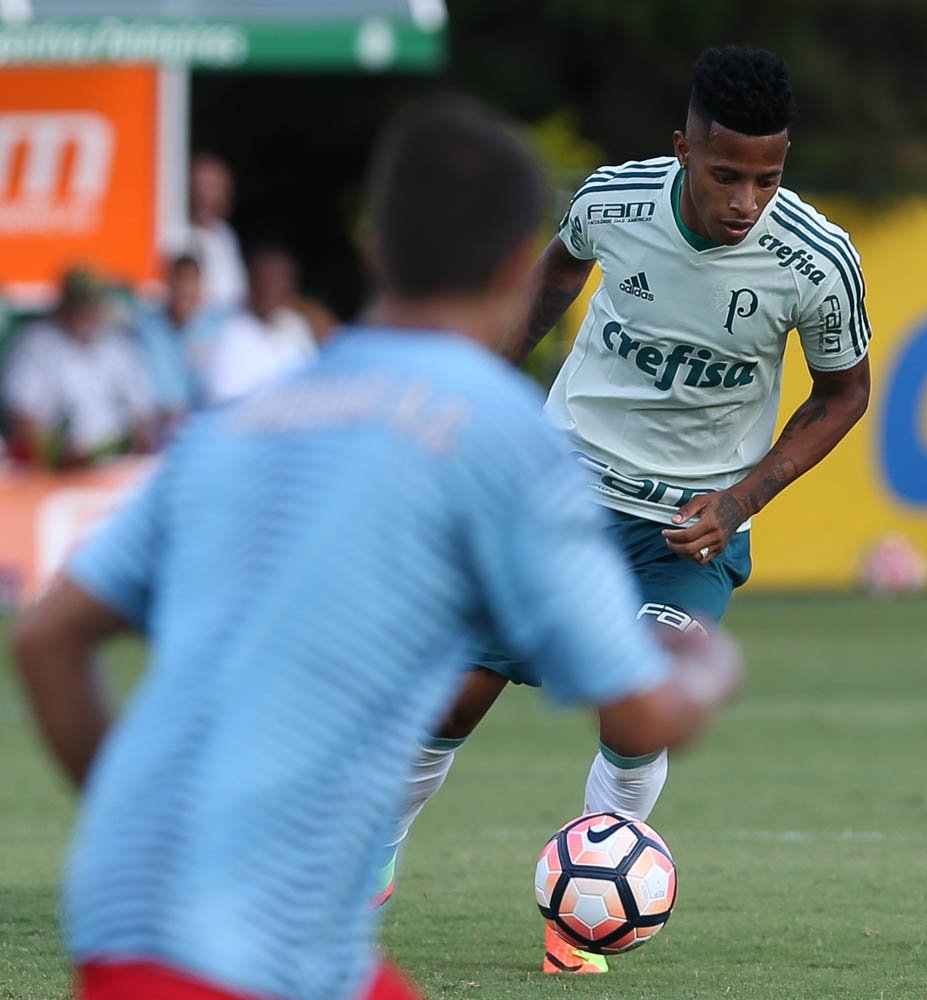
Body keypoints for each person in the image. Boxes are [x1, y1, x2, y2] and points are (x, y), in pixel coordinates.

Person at [12, 96, 741, 1000]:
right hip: (225, 952)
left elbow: (47, 638)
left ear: (372, 247)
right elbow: (636, 715)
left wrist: (142, 822)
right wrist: (706, 670)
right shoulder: (496, 433)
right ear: (524, 265)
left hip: (150, 916)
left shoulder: (240, 422)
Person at [381, 45, 872, 975]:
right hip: (557, 495)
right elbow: (557, 272)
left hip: (685, 534)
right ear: (681, 147)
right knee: (452, 694)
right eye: (724, 174)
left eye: (765, 178)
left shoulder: (815, 260)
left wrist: (738, 500)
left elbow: (843, 392)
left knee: (637, 709)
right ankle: (366, 867)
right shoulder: (611, 201)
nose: (743, 201)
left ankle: (578, 922)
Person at [2, 268, 158, 467]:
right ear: (64, 304)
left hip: (114, 463)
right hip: (52, 467)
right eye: (79, 303)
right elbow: (20, 416)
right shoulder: (36, 343)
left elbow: (143, 414)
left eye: (91, 302)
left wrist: (133, 443)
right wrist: (55, 451)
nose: (85, 311)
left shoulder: (118, 346)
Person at [204, 245, 318, 402]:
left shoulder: (295, 325)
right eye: (267, 280)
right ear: (252, 284)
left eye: (281, 280)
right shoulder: (230, 333)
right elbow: (226, 405)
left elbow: (313, 381)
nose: (273, 289)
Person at [132, 254, 225, 439]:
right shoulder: (145, 329)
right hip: (156, 430)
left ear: (200, 288)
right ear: (168, 285)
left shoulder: (216, 330)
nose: (184, 292)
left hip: (203, 430)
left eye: (191, 285)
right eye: (179, 284)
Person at [179, 152, 248, 312]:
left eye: (213, 187)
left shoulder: (226, 236)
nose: (203, 195)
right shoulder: (173, 231)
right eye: (198, 185)